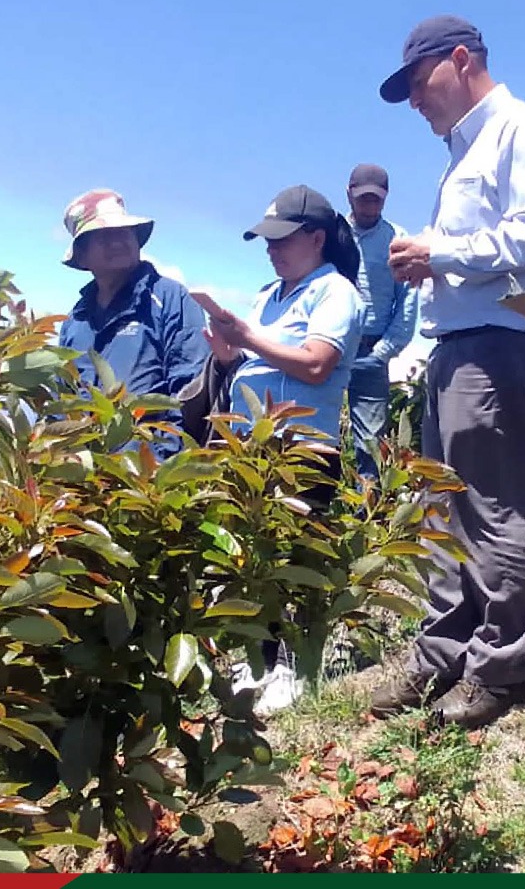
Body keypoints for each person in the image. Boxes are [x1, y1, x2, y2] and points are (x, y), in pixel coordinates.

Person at [369, 14, 525, 730]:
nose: (415, 102)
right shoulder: (465, 150)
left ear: (460, 60)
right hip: (460, 344)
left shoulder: (522, 128)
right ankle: (440, 655)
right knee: (440, 511)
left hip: (499, 343)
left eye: (419, 83)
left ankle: (500, 666)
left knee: (488, 509)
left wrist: (440, 254)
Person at [178, 184, 366, 716]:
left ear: (317, 238)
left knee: (297, 555)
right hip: (253, 445)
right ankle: (262, 658)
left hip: (302, 445)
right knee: (255, 554)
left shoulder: (335, 293)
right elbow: (248, 358)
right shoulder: (270, 293)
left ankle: (295, 665)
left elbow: (314, 364)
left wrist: (248, 338)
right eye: (266, 240)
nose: (271, 249)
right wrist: (227, 345)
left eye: (282, 239)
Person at [56, 188, 209, 460]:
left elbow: (191, 394)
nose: (117, 242)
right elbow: (62, 401)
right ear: (82, 256)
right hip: (84, 478)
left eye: (124, 232)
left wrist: (161, 465)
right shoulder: (75, 321)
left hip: (147, 476)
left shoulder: (170, 299)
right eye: (103, 236)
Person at [343, 163, 419, 482]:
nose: (370, 206)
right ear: (349, 196)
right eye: (364, 199)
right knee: (313, 434)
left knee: (371, 448)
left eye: (376, 199)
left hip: (372, 352)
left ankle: (369, 523)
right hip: (328, 349)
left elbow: (409, 300)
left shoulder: (398, 240)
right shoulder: (331, 235)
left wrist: (384, 351)